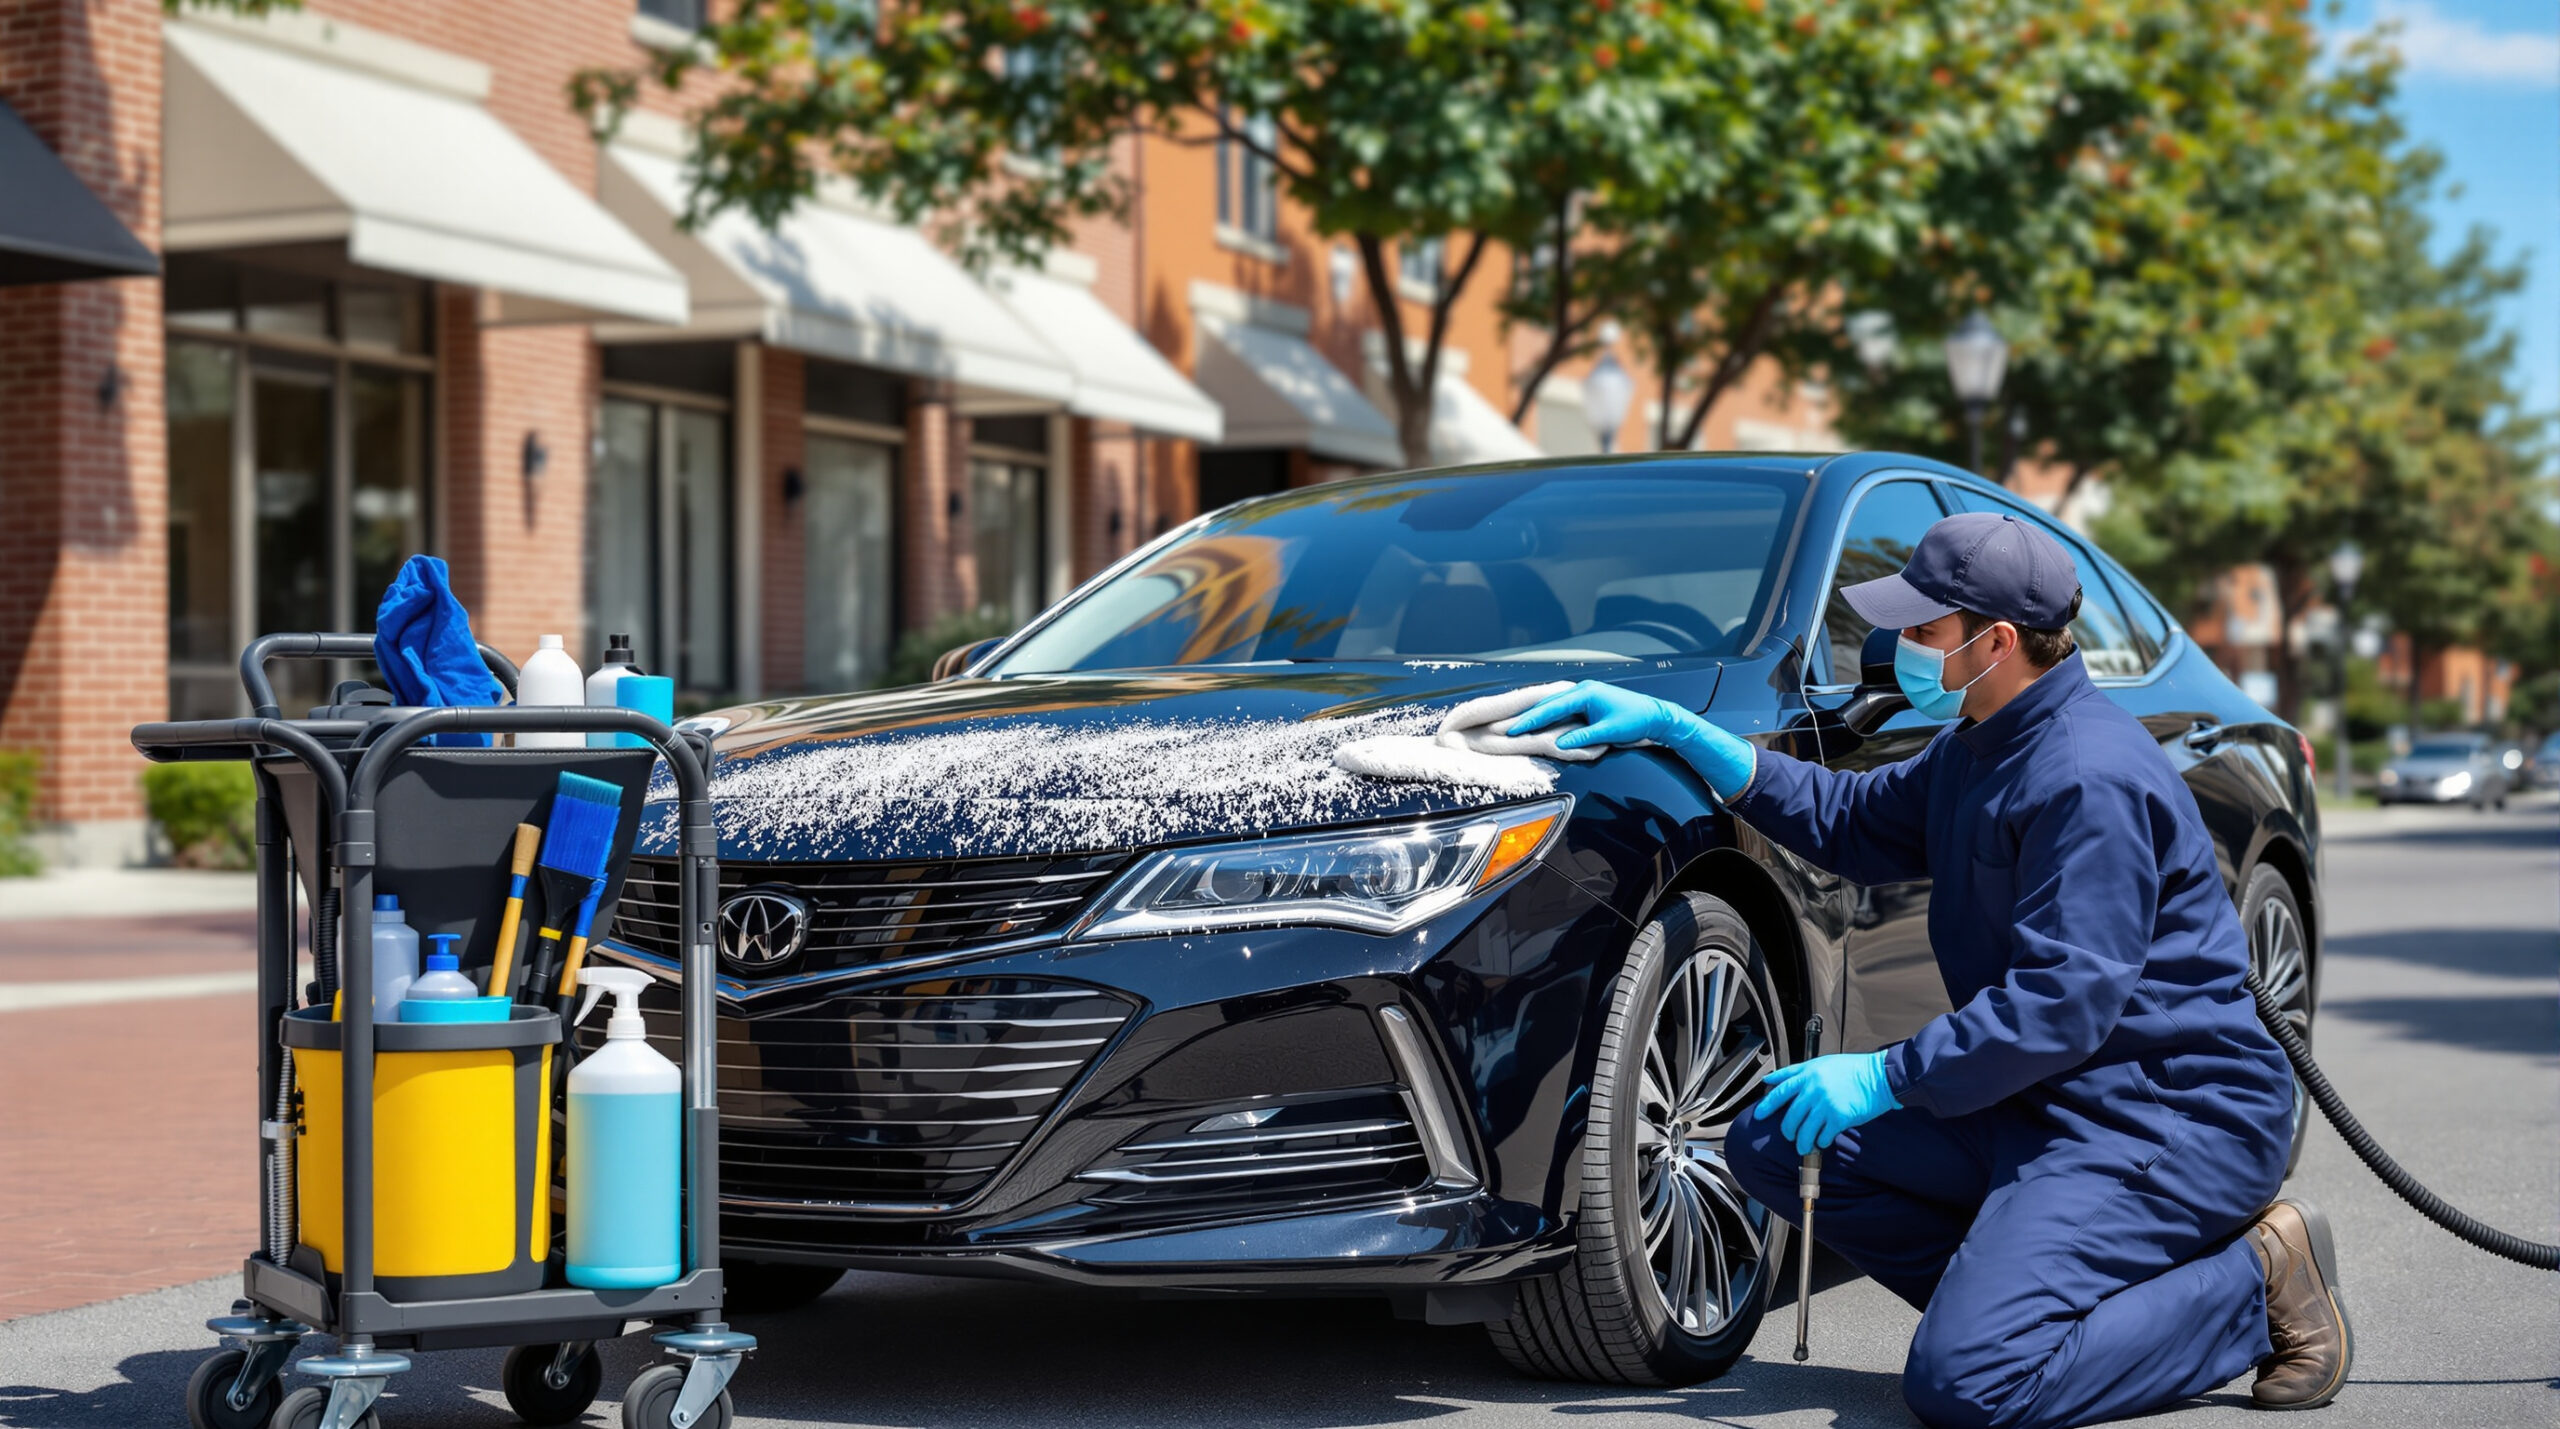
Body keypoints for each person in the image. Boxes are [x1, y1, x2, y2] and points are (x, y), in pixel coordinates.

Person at [1507, 511, 2351, 1429]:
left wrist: (1883, 1074)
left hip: (2160, 1115)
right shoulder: (1978, 745)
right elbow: (1850, 820)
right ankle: (2028, 1299)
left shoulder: (2084, 775)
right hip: (2039, 1102)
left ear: (1995, 641)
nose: (1898, 645)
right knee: (1772, 1139)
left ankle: (2252, 1281)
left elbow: (2062, 1005)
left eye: (1922, 629)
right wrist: (1687, 736)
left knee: (1968, 1386)